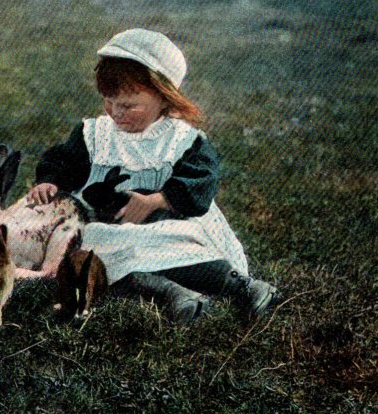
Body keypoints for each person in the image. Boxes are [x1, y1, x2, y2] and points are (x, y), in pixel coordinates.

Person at [27, 28, 279, 324]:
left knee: (179, 249)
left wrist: (157, 200)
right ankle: (170, 293)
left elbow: (203, 180)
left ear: (163, 98)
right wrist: (50, 180)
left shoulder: (181, 140)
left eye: (127, 106)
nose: (115, 113)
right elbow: (63, 160)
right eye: (109, 102)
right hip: (112, 230)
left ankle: (242, 287)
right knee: (94, 257)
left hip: (169, 223)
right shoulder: (96, 134)